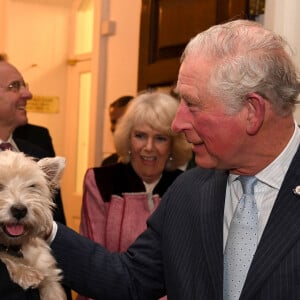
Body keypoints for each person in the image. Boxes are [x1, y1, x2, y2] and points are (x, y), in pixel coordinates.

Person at [49, 19, 300, 299]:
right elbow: (130, 279)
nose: (177, 124)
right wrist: (44, 232)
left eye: (192, 105)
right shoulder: (188, 191)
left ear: (252, 111)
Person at [77, 91, 191, 299]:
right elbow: (92, 261)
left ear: (173, 144)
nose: (149, 147)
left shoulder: (185, 187)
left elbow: (186, 267)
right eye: (140, 136)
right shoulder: (101, 181)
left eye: (160, 138)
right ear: (128, 139)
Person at [0, 58, 71, 299]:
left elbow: (56, 228)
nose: (28, 94)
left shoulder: (39, 146)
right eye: (14, 86)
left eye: (25, 85)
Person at [101, 95, 133, 166]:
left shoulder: (147, 163)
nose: (113, 128)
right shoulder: (108, 164)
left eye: (120, 122)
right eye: (113, 122)